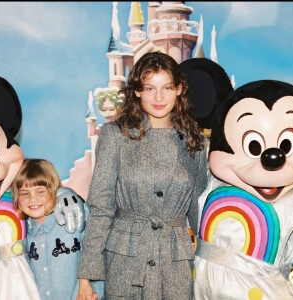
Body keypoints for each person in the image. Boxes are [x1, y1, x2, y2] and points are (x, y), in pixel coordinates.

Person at [77, 51, 208, 299]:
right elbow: (101, 209)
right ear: (137, 91)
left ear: (179, 89)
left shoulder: (195, 140)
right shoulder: (115, 135)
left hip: (175, 264)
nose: (158, 97)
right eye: (149, 88)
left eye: (166, 87)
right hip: (126, 261)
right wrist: (86, 279)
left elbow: (200, 213)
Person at [11, 159, 104, 300]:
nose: (33, 199)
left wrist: (95, 291)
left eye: (40, 191)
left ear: (54, 191)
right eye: (25, 193)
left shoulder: (73, 219)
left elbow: (97, 252)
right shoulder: (23, 233)